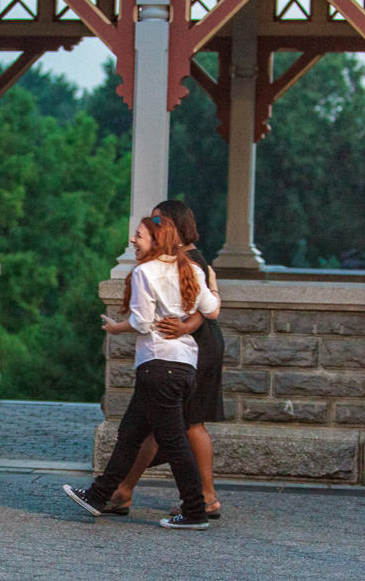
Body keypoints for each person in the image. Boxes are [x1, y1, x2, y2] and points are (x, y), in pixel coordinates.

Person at [63, 215, 220, 529]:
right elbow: (211, 310)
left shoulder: (145, 273)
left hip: (157, 366)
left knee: (173, 442)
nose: (133, 241)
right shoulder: (190, 268)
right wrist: (213, 286)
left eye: (139, 236)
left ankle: (194, 511)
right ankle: (99, 495)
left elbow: (142, 323)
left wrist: (116, 327)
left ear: (156, 240)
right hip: (182, 365)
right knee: (130, 434)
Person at [104, 200, 225, 519]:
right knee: (154, 426)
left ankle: (204, 497)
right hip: (177, 352)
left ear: (171, 226)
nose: (149, 228)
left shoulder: (190, 260)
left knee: (188, 423)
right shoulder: (169, 261)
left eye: (157, 220)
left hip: (193, 348)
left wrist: (184, 325)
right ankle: (121, 491)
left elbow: (206, 310)